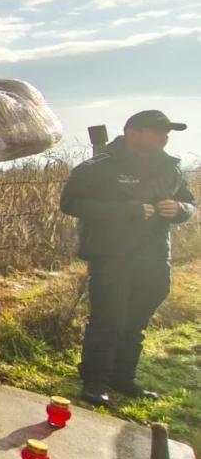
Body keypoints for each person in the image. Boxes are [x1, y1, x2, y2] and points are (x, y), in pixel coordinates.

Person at [60, 110, 196, 407]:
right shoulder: (99, 166)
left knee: (137, 321)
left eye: (167, 132)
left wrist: (181, 210)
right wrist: (127, 210)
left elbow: (189, 202)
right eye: (158, 131)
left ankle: (123, 378)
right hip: (112, 254)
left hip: (155, 256)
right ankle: (95, 381)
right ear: (133, 132)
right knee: (108, 319)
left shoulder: (170, 167)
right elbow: (70, 203)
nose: (165, 137)